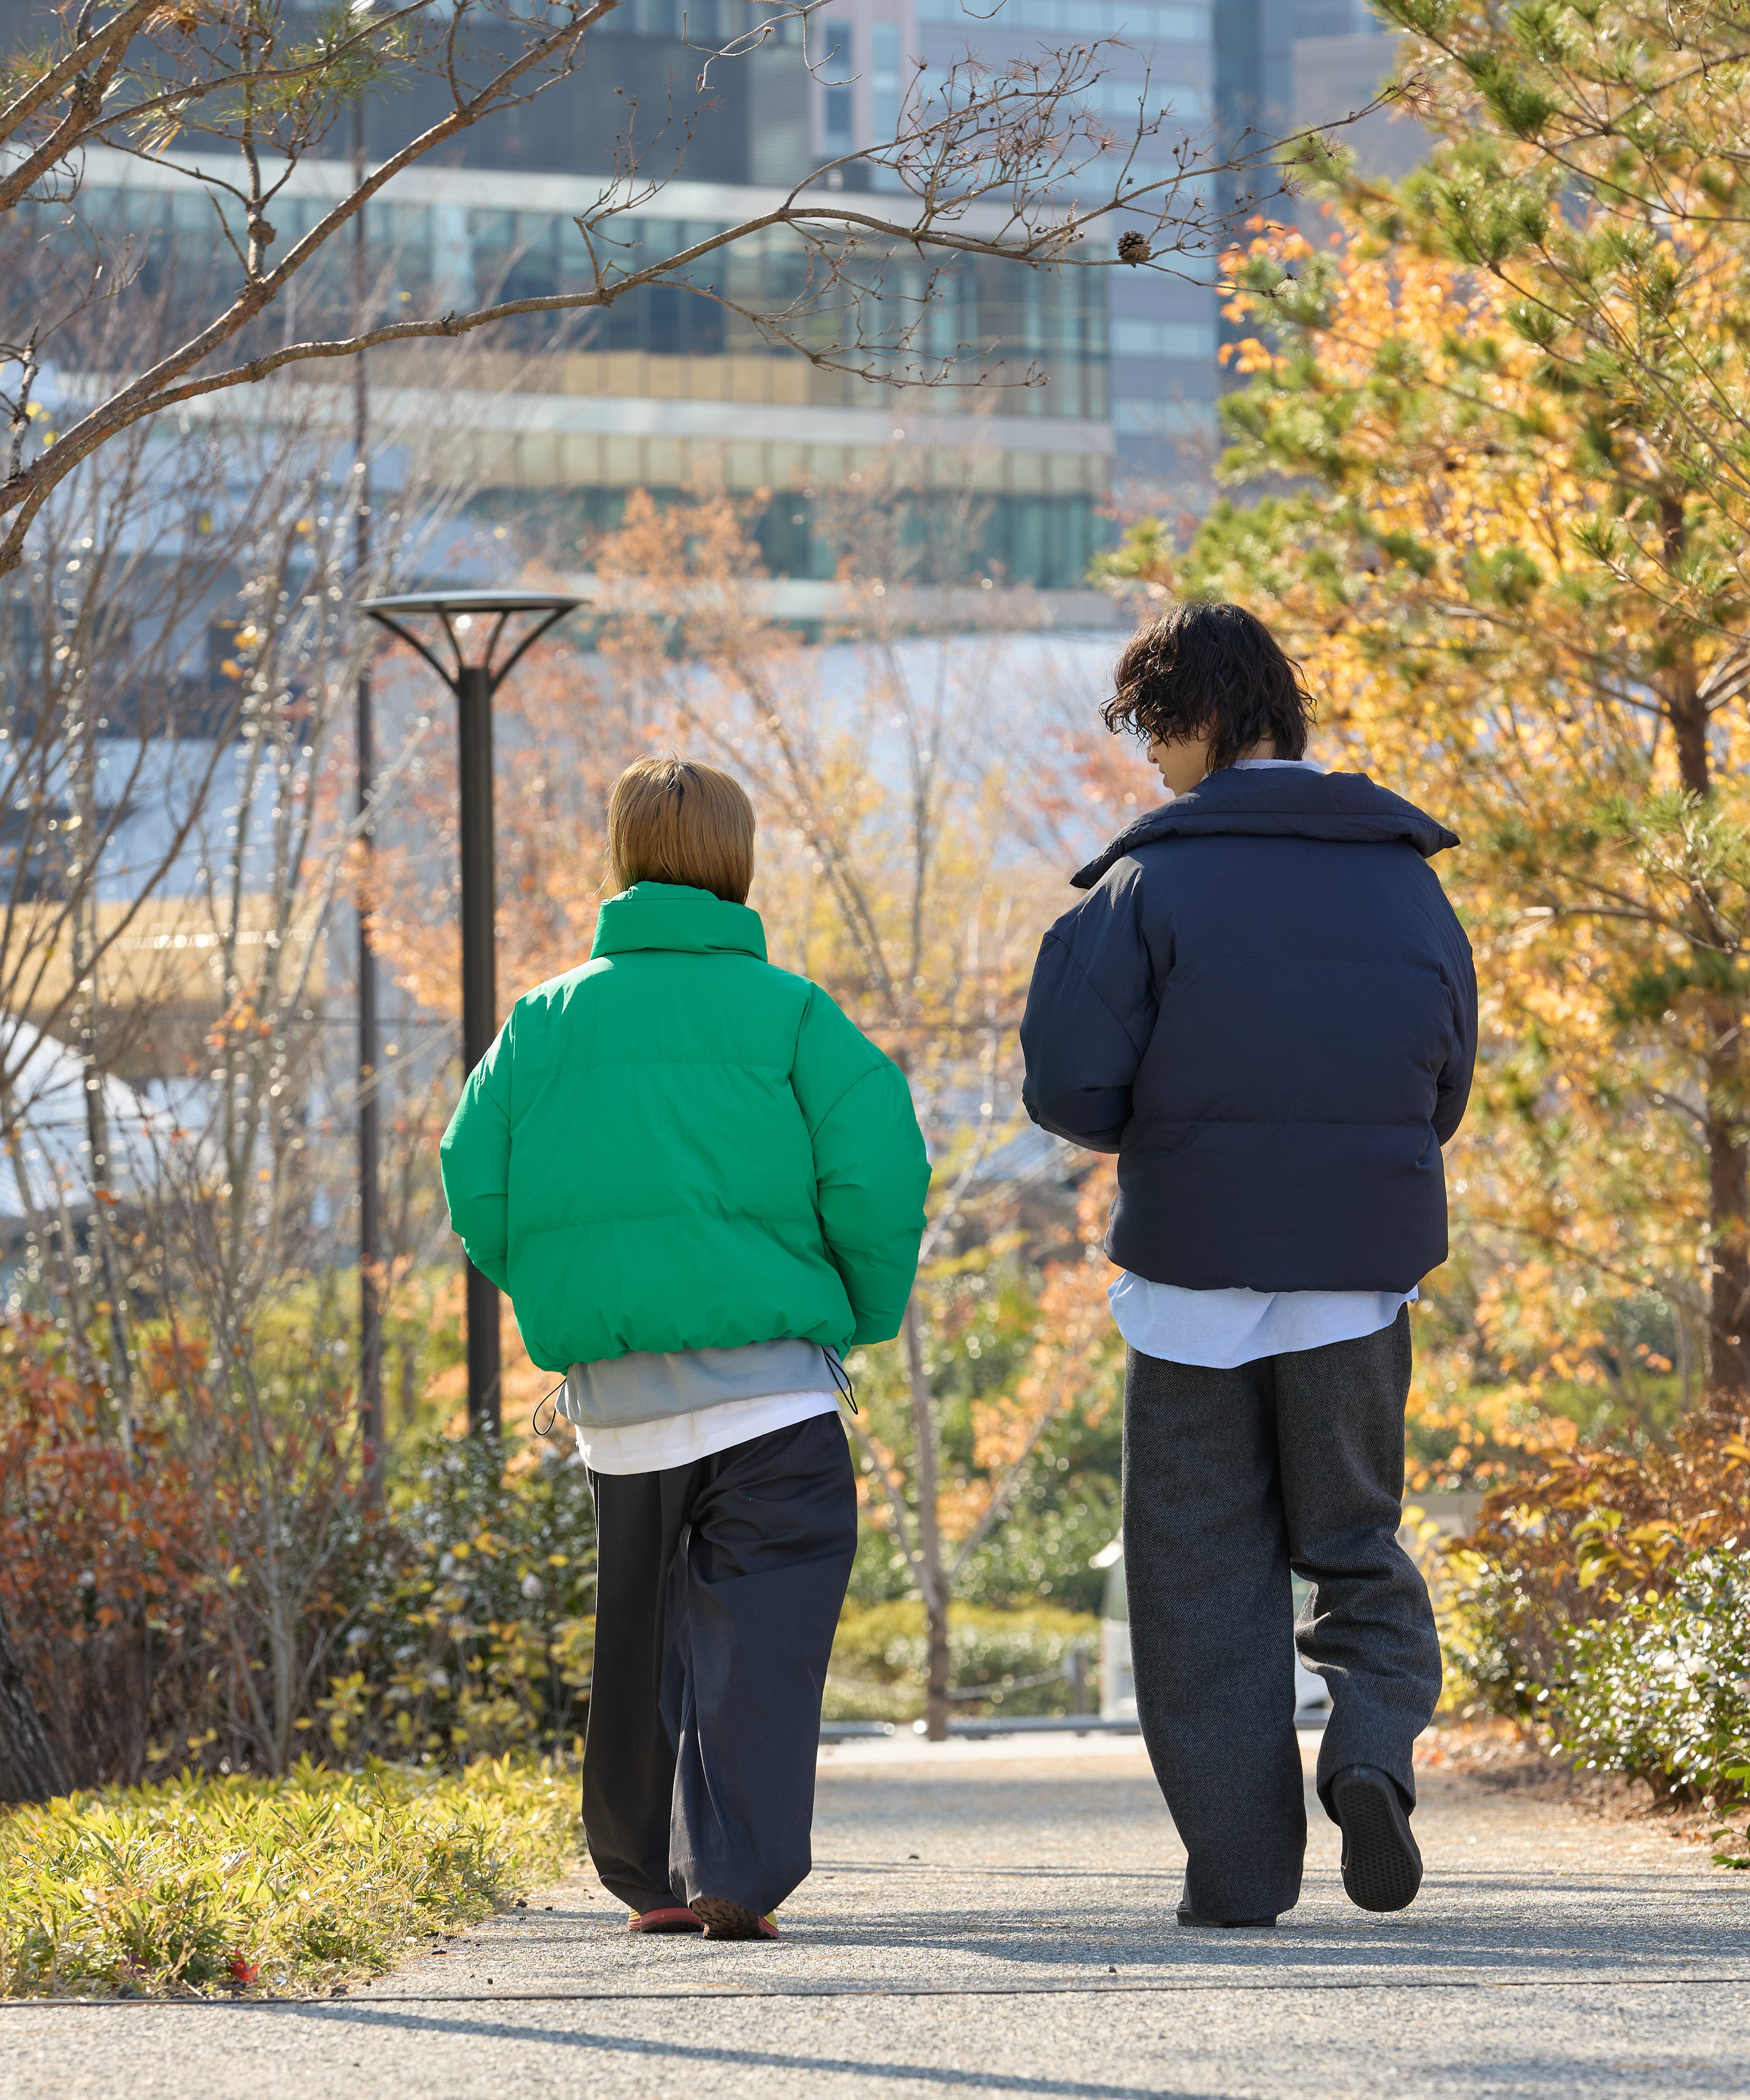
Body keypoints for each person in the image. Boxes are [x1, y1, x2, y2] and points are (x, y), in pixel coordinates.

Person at [1019, 603, 1476, 1929]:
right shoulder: (1406, 875)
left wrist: (1155, 1124)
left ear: (1204, 720)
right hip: (1357, 1269)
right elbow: (1441, 1080)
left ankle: (1237, 1870)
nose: (1151, 763)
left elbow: (1071, 1082)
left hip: (1193, 1278)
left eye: (1155, 731)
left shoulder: (1150, 882)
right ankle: (1373, 1754)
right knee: (1356, 1539)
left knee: (1198, 1573)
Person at [441, 755, 929, 1942]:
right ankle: (737, 1876)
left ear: (623, 857)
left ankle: (647, 1875)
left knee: (641, 1637)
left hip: (619, 1405)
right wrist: (853, 1313)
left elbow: (476, 1180)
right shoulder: (797, 1016)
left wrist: (586, 1303)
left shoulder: (543, 1021)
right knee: (757, 1638)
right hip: (772, 1398)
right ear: (737, 862)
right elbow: (882, 1175)